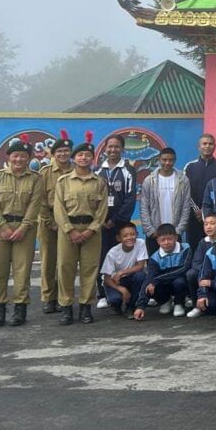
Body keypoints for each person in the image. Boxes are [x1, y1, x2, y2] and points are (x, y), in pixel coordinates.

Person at [54, 136, 108, 325]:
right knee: (65, 268)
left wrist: (91, 230)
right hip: (68, 230)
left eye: (87, 155)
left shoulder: (99, 182)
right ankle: (66, 307)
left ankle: (86, 307)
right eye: (80, 155)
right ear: (73, 158)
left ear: (92, 158)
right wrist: (70, 230)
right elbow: (58, 209)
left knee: (90, 269)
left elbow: (102, 210)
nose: (83, 158)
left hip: (91, 231)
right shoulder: (63, 181)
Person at [0, 137, 43, 327]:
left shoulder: (35, 179)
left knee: (22, 270)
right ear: (9, 157)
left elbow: (34, 206)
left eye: (23, 156)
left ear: (28, 158)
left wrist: (23, 228)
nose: (19, 160)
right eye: (15, 156)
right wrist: (3, 227)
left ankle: (20, 309)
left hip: (25, 231)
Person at [95, 134, 138, 309]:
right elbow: (93, 198)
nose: (113, 150)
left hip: (119, 224)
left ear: (122, 149)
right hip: (100, 223)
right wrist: (101, 220)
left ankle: (123, 290)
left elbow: (130, 199)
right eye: (110, 146)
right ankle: (103, 293)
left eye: (116, 147)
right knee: (103, 257)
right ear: (105, 149)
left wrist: (115, 220)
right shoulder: (97, 171)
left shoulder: (128, 171)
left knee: (122, 258)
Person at [37, 131, 73, 315]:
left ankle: (62, 297)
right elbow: (41, 200)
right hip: (48, 223)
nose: (63, 154)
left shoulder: (76, 171)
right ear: (53, 153)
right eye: (59, 151)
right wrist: (51, 222)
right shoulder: (45, 173)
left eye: (66, 151)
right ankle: (49, 298)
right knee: (48, 260)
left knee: (65, 262)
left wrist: (66, 223)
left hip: (69, 222)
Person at [133, 223, 192, 320]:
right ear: (157, 241)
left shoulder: (185, 248)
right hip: (164, 285)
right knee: (151, 284)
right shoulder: (154, 258)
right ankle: (165, 301)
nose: (166, 242)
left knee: (179, 281)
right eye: (163, 240)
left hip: (179, 282)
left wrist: (157, 279)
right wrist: (140, 306)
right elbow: (150, 279)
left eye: (169, 239)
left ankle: (179, 303)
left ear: (176, 238)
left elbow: (184, 269)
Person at [139, 147, 191, 255]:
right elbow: (144, 207)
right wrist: (151, 231)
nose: (167, 163)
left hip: (175, 233)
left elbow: (186, 206)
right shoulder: (149, 180)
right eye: (164, 160)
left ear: (175, 160)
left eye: (171, 160)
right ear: (159, 159)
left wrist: (179, 231)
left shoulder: (183, 180)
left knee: (176, 267)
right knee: (154, 268)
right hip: (155, 234)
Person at [99, 221, 148, 317]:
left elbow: (140, 266)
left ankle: (131, 306)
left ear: (137, 234)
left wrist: (121, 272)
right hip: (114, 281)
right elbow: (107, 278)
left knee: (141, 275)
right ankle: (115, 305)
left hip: (130, 277)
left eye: (133, 234)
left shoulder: (141, 243)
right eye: (125, 236)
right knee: (115, 299)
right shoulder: (112, 253)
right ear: (118, 238)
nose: (130, 238)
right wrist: (122, 289)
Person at [184, 133, 216, 247]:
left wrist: (207, 211)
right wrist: (197, 210)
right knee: (194, 246)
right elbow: (185, 191)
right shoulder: (190, 167)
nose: (207, 146)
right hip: (194, 216)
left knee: (215, 247)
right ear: (199, 147)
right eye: (204, 144)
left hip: (215, 214)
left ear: (215, 146)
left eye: (210, 144)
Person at [185, 213, 216, 318]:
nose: (208, 227)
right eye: (206, 224)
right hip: (203, 276)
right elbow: (196, 262)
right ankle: (197, 305)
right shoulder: (203, 242)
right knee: (191, 273)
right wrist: (205, 273)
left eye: (212, 223)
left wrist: (210, 274)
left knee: (213, 308)